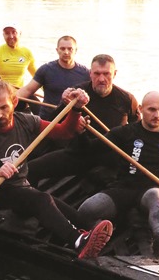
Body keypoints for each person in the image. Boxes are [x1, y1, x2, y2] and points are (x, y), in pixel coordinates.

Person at [0, 79, 113, 258]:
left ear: (14, 102)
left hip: (20, 188)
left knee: (70, 213)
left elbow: (64, 132)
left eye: (3, 107)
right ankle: (78, 241)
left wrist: (76, 109)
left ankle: (91, 230)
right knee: (41, 200)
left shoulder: (25, 121)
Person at [76, 91, 159, 256]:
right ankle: (102, 231)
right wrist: (81, 132)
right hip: (124, 188)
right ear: (140, 109)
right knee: (86, 211)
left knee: (155, 196)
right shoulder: (124, 132)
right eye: (151, 110)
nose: (157, 115)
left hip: (155, 189)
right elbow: (90, 149)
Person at [27, 53, 140, 186]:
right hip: (78, 152)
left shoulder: (127, 99)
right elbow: (53, 125)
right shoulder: (77, 93)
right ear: (90, 74)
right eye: (97, 74)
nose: (102, 79)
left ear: (114, 74)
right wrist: (65, 104)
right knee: (30, 170)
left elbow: (138, 132)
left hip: (109, 157)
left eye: (106, 74)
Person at [17, 35, 90, 107]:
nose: (66, 52)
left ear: (75, 50)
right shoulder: (46, 69)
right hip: (48, 116)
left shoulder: (85, 73)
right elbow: (27, 90)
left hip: (73, 116)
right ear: (57, 50)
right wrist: (9, 99)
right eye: (62, 49)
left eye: (70, 49)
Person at [0, 24, 36, 89]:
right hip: (0, 92)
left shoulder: (27, 53)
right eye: (7, 33)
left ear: (20, 34)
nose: (11, 36)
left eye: (14, 32)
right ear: (3, 35)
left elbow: (39, 78)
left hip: (19, 93)